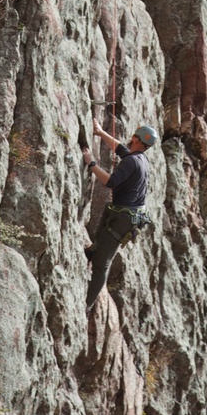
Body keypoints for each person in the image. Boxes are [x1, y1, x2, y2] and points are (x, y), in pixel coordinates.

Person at [82, 118, 158, 308]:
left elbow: (110, 182)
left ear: (138, 140)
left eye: (134, 136)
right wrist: (100, 132)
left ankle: (86, 306)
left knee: (102, 265)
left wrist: (92, 164)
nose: (131, 138)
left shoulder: (132, 161)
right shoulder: (140, 159)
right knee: (101, 242)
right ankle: (93, 250)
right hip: (128, 215)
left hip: (123, 218)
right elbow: (122, 150)